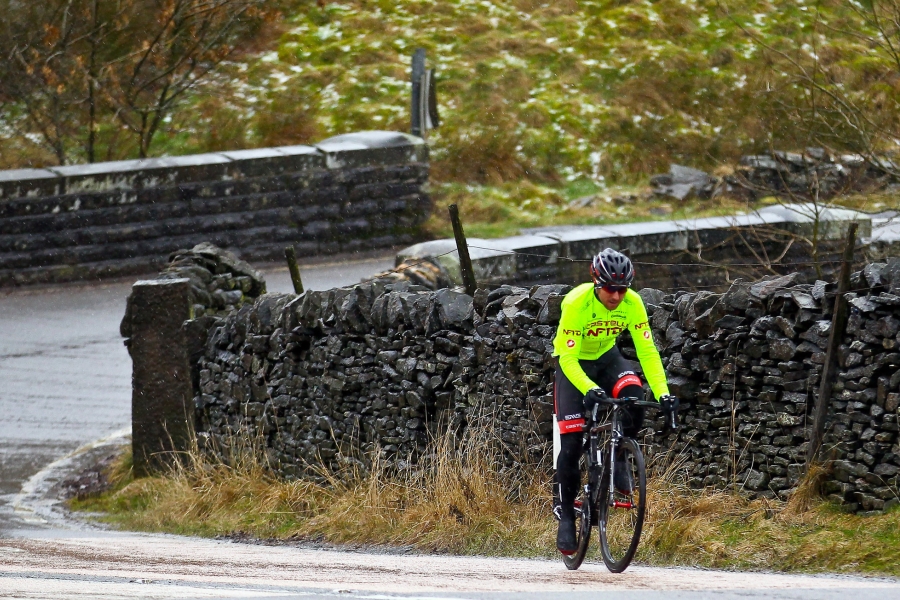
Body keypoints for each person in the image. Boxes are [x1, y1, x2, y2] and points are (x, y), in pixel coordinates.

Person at [551, 247, 678, 555]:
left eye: (623, 289)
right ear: (597, 283)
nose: (617, 296)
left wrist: (663, 392)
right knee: (570, 444)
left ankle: (619, 454)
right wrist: (588, 387)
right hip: (574, 366)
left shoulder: (633, 303)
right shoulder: (576, 302)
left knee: (634, 396)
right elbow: (567, 357)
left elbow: (647, 352)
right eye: (611, 289)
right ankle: (567, 514)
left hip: (607, 359)